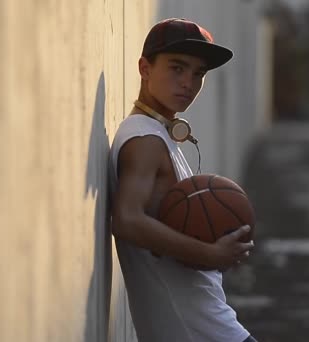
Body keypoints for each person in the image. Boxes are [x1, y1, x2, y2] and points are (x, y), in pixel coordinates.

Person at [109, 18, 257, 342]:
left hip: (202, 322)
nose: (188, 82)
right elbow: (126, 219)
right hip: (195, 330)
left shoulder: (156, 133)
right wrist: (209, 255)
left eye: (198, 73)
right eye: (177, 68)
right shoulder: (143, 138)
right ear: (144, 68)